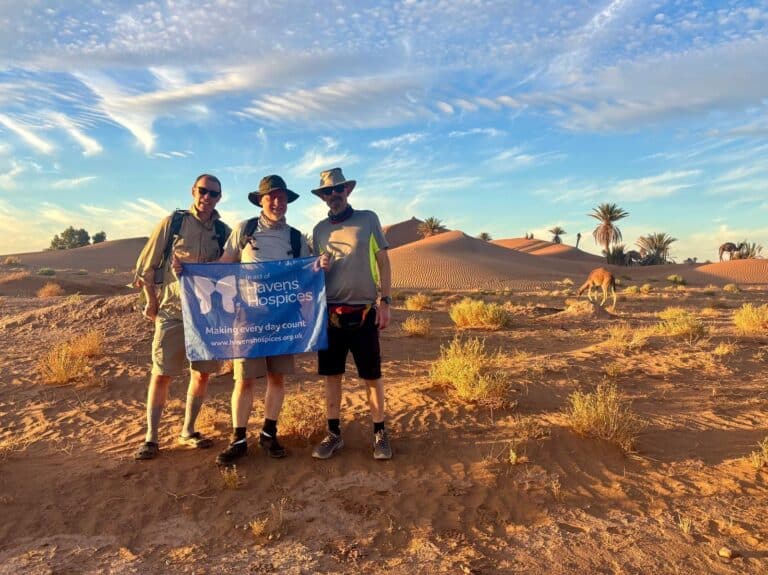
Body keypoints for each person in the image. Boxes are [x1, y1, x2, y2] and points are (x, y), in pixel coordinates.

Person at [213, 175, 311, 466]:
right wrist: (190, 270)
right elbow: (225, 263)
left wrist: (320, 266)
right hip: (248, 317)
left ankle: (269, 433)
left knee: (276, 377)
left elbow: (306, 272)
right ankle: (238, 439)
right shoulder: (245, 229)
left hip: (283, 317)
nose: (278, 203)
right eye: (272, 197)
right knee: (244, 379)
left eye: (282, 198)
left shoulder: (295, 237)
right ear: (261, 200)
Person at [133, 174, 231, 460]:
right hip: (173, 311)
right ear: (193, 191)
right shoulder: (173, 223)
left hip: (206, 315)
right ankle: (151, 438)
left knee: (201, 374)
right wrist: (151, 302)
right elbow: (146, 267)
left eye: (214, 194)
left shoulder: (223, 232)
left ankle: (188, 430)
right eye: (203, 191)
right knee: (161, 373)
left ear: (219, 198)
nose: (207, 198)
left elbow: (228, 272)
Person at [312, 167, 393, 460]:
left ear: (348, 190)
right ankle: (333, 434)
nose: (334, 195)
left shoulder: (368, 219)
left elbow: (383, 261)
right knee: (332, 377)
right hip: (330, 315)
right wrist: (318, 266)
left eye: (338, 189)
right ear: (322, 197)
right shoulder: (319, 230)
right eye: (328, 191)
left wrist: (386, 301)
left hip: (364, 312)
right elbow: (313, 272)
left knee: (372, 376)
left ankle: (380, 433)